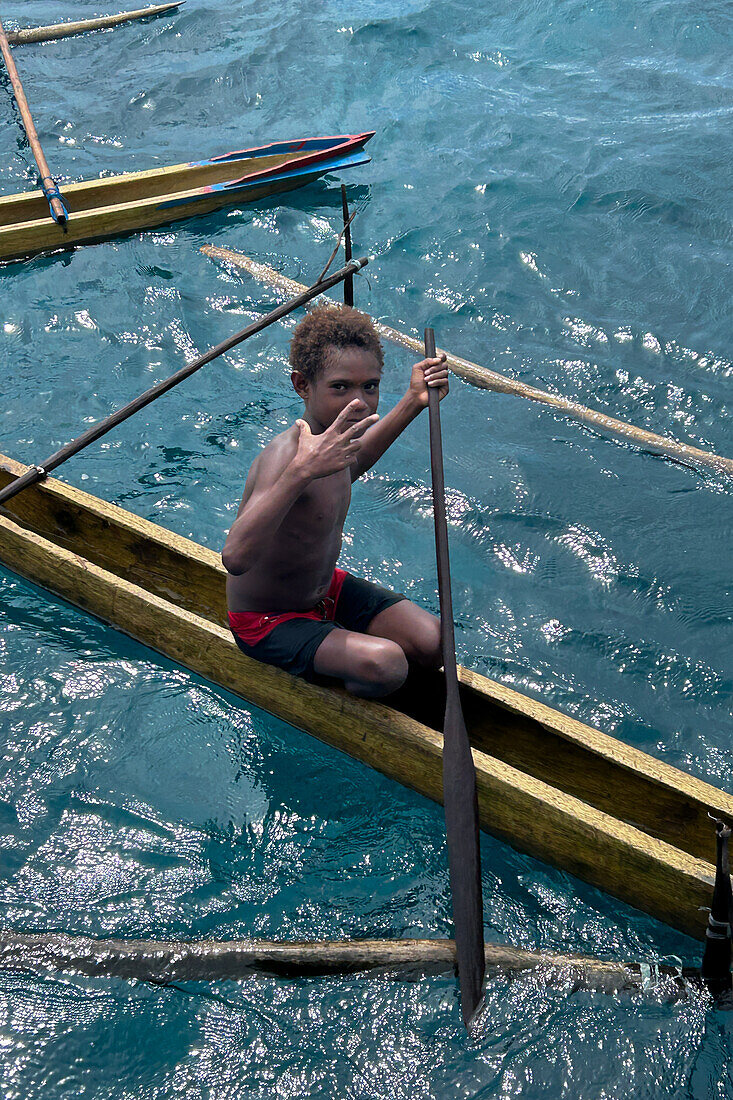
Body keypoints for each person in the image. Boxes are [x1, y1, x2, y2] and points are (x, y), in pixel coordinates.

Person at [222, 305, 449, 698]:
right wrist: (300, 472)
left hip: (325, 593)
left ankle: (336, 646)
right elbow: (235, 558)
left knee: (434, 642)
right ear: (302, 385)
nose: (359, 402)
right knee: (388, 665)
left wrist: (413, 400)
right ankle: (340, 695)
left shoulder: (336, 441)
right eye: (340, 387)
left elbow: (355, 462)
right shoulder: (288, 456)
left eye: (370, 386)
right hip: (268, 620)